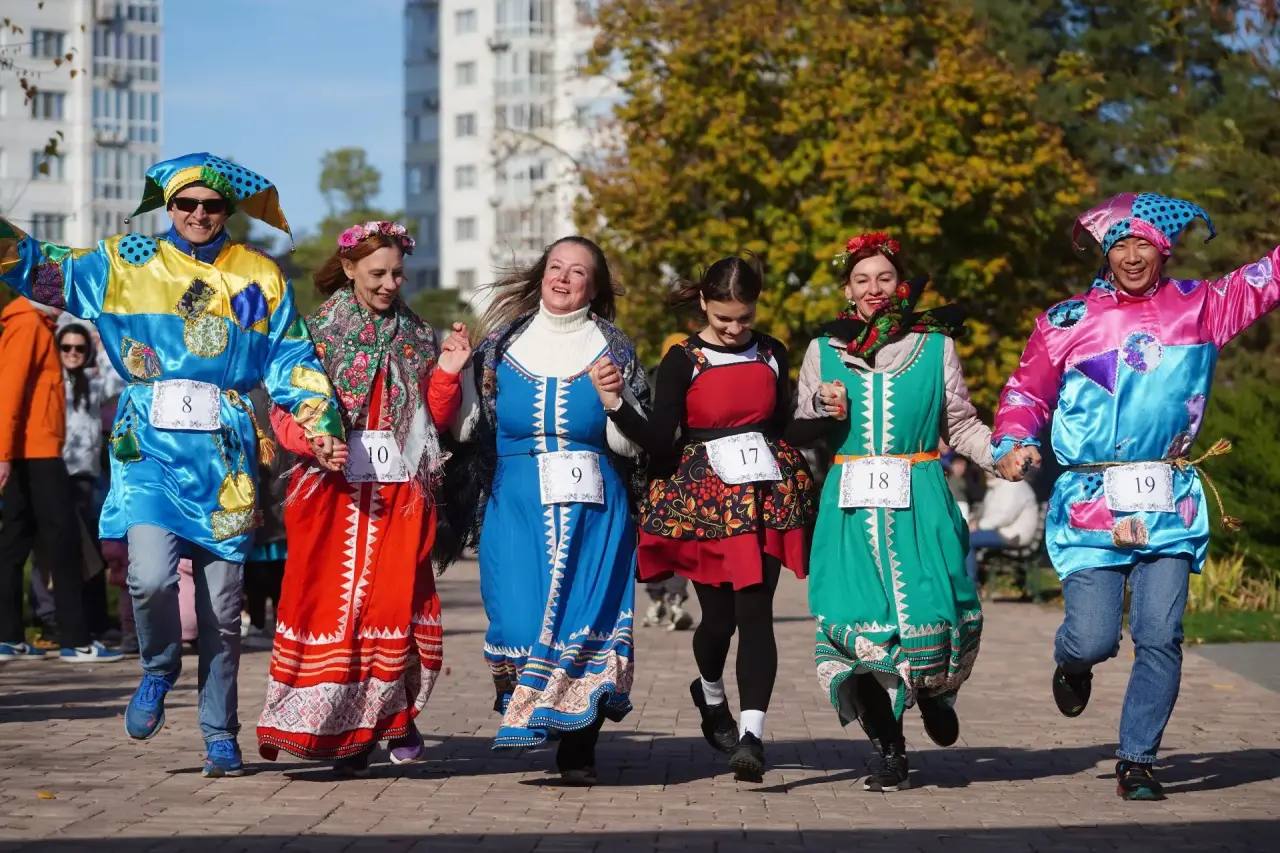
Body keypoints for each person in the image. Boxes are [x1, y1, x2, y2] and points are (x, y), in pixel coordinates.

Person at [0, 153, 346, 777]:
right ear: (168, 206)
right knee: (150, 578)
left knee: (221, 607)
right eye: (184, 203)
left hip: (226, 461)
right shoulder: (123, 262)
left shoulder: (260, 276)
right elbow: (38, 268)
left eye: (210, 205)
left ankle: (219, 733)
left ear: (226, 210)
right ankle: (159, 668)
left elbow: (294, 362)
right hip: (146, 453)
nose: (196, 215)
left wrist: (321, 428)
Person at [991, 192, 1280, 800]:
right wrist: (1012, 443)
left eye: (1142, 242)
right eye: (1119, 244)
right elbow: (1026, 393)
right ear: (1104, 252)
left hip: (1168, 496)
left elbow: (1267, 277)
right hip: (1091, 499)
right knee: (1094, 636)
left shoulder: (1200, 306)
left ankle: (1137, 759)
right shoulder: (1065, 321)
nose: (1130, 255)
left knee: (1160, 634)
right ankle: (1071, 663)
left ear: (1164, 249)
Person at [257, 221, 469, 775]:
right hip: (330, 496)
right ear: (349, 269)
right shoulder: (314, 334)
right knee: (333, 608)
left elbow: (435, 420)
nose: (389, 284)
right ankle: (339, 730)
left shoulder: (418, 335)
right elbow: (284, 412)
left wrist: (447, 371)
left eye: (397, 273)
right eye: (377, 273)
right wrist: (312, 440)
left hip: (400, 496)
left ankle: (391, 717)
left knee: (394, 604)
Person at [602, 256, 817, 781]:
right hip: (708, 505)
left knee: (756, 615)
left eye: (744, 317)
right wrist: (614, 403)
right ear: (703, 302)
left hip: (765, 497)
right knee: (718, 622)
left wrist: (823, 413)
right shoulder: (682, 358)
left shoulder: (772, 353)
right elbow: (659, 438)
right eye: (724, 318)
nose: (735, 327)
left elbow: (784, 426)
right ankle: (711, 692)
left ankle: (751, 737)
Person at [793, 231, 992, 792]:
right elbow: (802, 429)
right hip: (849, 510)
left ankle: (932, 692)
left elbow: (963, 425)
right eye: (862, 280)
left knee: (933, 613)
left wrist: (1002, 456)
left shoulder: (936, 347)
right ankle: (889, 751)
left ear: (900, 284)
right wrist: (820, 406)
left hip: (921, 500)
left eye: (884, 278)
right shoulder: (823, 350)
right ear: (848, 290)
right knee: (855, 627)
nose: (874, 289)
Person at [445, 235, 647, 784]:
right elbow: (465, 430)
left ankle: (579, 745)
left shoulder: (614, 348)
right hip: (516, 503)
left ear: (595, 286)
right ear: (540, 275)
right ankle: (536, 704)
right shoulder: (499, 344)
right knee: (516, 615)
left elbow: (632, 445)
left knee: (587, 619)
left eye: (577, 272)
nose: (563, 279)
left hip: (595, 507)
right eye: (555, 267)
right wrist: (458, 374)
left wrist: (616, 401)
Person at [0, 297, 121, 663]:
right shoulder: (28, 325)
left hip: (33, 450)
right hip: (35, 453)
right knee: (63, 542)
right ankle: (75, 640)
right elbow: (9, 392)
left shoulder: (40, 326)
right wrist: (3, 455)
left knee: (15, 542)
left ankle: (8, 638)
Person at [964, 472, 1040, 583]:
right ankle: (964, 583)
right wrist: (973, 521)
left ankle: (971, 586)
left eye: (990, 469)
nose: (986, 472)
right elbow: (986, 513)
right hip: (1002, 531)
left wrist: (978, 525)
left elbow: (1004, 517)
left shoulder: (1014, 485)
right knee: (963, 537)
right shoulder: (996, 486)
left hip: (1013, 535)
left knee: (967, 540)